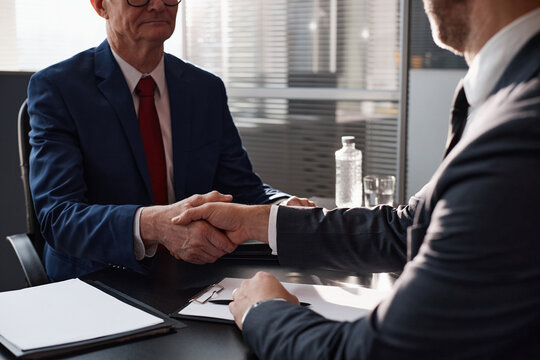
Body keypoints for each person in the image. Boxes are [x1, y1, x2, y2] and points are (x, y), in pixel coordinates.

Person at [173, 0, 540, 358]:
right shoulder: (504, 95)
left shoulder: (519, 128)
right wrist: (256, 220)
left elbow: (375, 351)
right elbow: (408, 228)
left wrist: (264, 310)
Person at [27, 0, 313, 282]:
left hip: (199, 274)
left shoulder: (205, 89)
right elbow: (59, 217)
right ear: (100, 5)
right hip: (100, 279)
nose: (157, 5)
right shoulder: (58, 88)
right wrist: (156, 225)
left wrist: (282, 205)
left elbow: (242, 189)